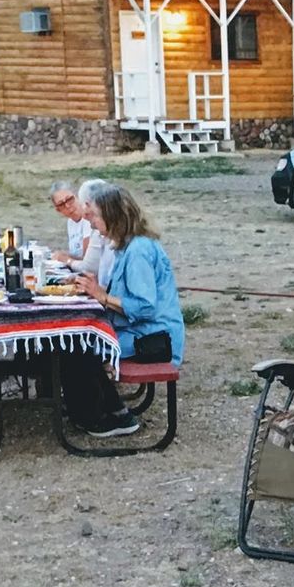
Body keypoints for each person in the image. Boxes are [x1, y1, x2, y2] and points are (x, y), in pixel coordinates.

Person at [57, 182, 184, 437]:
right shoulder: (126, 246)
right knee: (73, 340)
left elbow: (145, 307)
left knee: (77, 346)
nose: (90, 223)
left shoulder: (138, 251)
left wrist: (102, 296)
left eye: (93, 215)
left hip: (153, 338)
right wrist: (90, 286)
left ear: (112, 215)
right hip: (140, 331)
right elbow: (123, 294)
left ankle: (100, 417)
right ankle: (110, 409)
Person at [48, 179, 91, 264]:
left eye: (70, 199)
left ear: (77, 196)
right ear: (58, 210)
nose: (67, 206)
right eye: (61, 204)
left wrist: (65, 258)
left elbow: (87, 259)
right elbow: (77, 254)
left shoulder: (88, 219)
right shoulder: (70, 222)